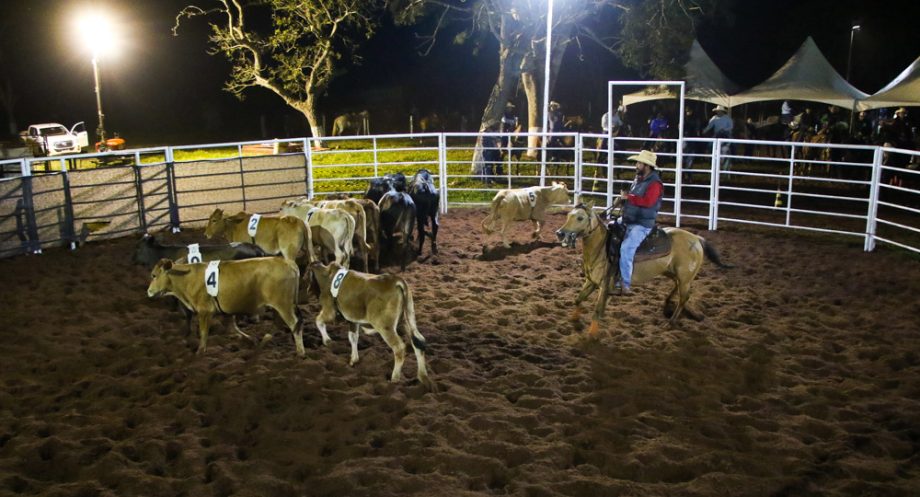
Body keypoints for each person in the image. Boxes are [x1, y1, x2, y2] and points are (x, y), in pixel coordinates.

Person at [615, 149, 663, 295]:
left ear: (646, 166)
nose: (636, 165)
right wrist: (623, 201)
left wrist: (628, 198)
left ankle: (625, 283)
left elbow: (648, 202)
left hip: (642, 224)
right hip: (631, 219)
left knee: (626, 248)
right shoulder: (639, 180)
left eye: (639, 163)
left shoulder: (655, 184)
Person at [703, 105, 734, 171]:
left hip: (726, 134)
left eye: (719, 111)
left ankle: (734, 158)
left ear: (722, 111)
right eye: (717, 111)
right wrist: (704, 130)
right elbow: (709, 126)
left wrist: (724, 129)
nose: (718, 112)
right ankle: (709, 157)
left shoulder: (727, 118)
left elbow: (731, 127)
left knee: (733, 145)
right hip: (717, 134)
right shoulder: (714, 118)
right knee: (710, 144)